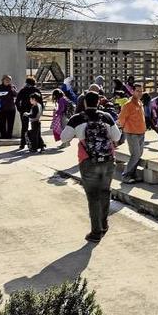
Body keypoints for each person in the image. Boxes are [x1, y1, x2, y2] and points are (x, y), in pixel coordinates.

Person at [60, 91, 122, 243]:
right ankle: (104, 224)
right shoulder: (106, 117)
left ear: (85, 103)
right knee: (105, 192)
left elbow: (63, 137)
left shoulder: (77, 118)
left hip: (88, 161)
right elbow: (117, 137)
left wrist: (77, 132)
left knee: (93, 196)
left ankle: (96, 231)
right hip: (108, 160)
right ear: (99, 102)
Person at [118, 83, 146, 184]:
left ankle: (133, 174)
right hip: (132, 133)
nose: (140, 93)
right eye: (137, 91)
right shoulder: (128, 105)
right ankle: (125, 175)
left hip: (141, 132)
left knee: (139, 154)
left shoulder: (140, 103)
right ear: (132, 91)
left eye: (141, 91)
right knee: (135, 155)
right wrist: (124, 128)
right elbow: (121, 119)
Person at [16, 77, 41, 150]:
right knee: (36, 128)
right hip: (35, 111)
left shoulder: (23, 90)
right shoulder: (36, 90)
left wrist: (20, 109)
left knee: (24, 127)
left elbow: (17, 101)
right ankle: (36, 144)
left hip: (24, 111)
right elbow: (40, 102)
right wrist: (40, 111)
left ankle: (22, 144)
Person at [0, 75, 18, 139]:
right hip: (1, 108)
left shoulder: (12, 87)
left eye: (9, 80)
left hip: (11, 108)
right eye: (6, 80)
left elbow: (16, 95)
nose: (8, 81)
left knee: (10, 123)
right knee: (2, 123)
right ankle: (3, 136)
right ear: (3, 80)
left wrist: (12, 89)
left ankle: (9, 136)